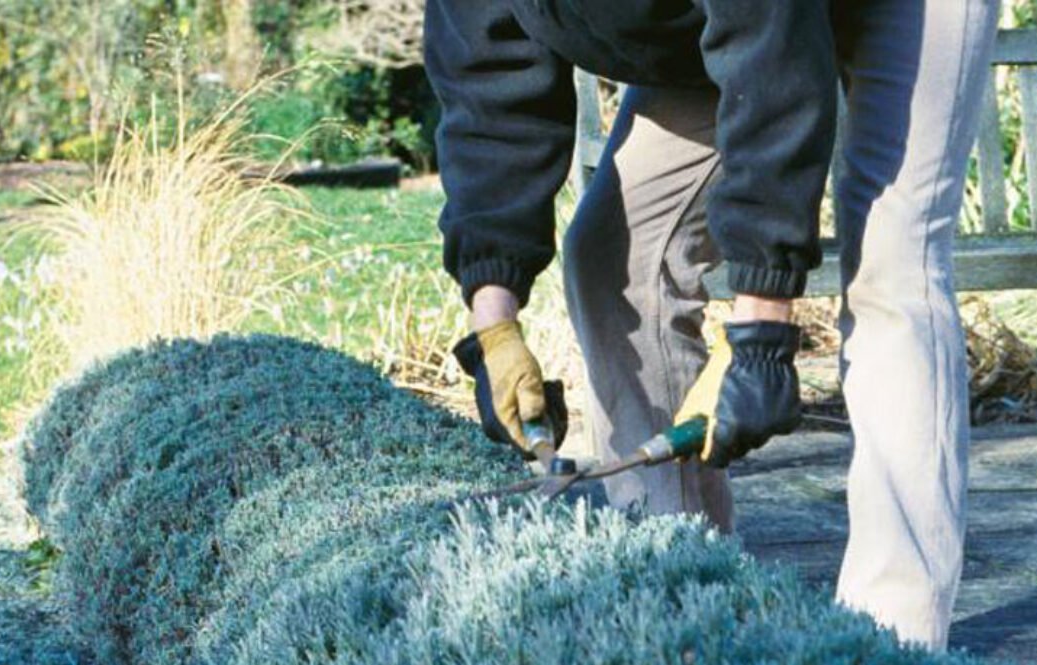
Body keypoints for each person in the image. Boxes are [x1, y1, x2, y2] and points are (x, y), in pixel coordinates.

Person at [426, 0, 999, 651]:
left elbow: (774, 60)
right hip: (746, 32)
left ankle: (892, 634)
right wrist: (494, 325)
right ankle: (685, 589)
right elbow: (489, 107)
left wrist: (759, 330)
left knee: (891, 268)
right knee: (609, 255)